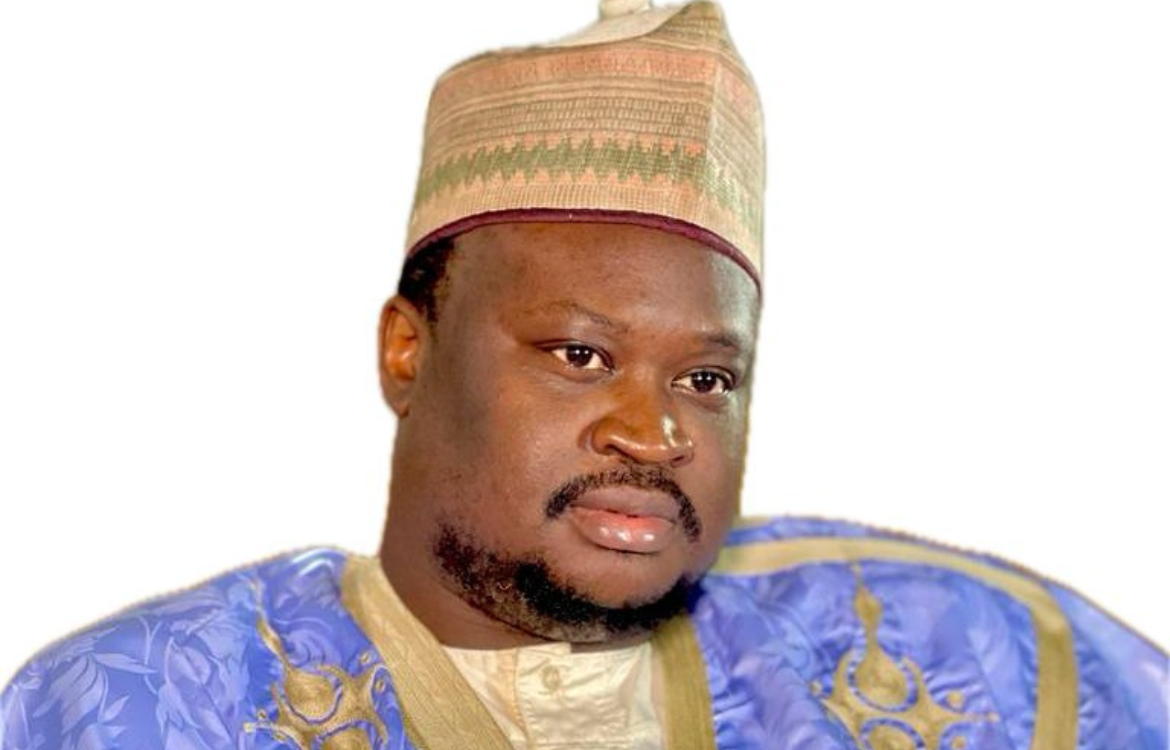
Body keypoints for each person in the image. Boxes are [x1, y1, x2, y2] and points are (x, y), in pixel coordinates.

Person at [1, 1, 1165, 748]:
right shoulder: (154, 708)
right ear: (407, 351)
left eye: (707, 380)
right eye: (581, 356)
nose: (653, 433)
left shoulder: (957, 652)